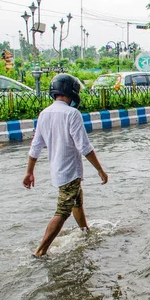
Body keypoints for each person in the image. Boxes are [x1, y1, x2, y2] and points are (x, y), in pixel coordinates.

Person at [23, 73, 108, 258]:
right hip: (69, 171)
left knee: (77, 201)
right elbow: (84, 147)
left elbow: (36, 146)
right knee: (63, 211)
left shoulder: (44, 113)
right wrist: (100, 170)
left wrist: (29, 172)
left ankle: (85, 231)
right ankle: (40, 251)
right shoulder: (72, 114)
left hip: (58, 170)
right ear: (72, 92)